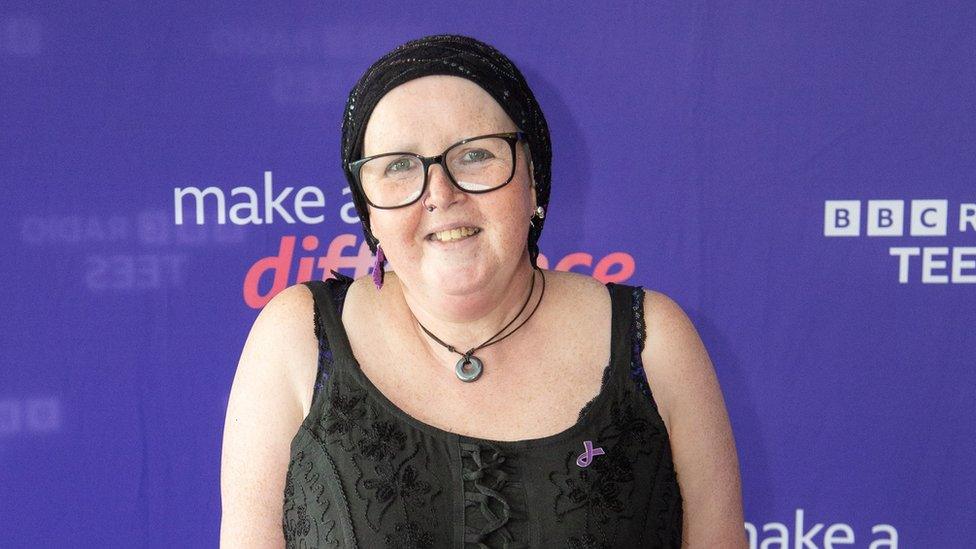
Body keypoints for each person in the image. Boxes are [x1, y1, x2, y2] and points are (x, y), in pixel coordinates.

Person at [221, 34, 745, 548]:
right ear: (368, 210)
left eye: (474, 155)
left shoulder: (654, 342)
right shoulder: (295, 339)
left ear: (533, 178)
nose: (440, 194)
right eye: (399, 166)